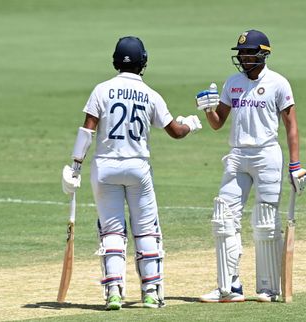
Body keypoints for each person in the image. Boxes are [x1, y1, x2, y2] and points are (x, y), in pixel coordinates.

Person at [61, 36, 202, 310]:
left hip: (105, 168)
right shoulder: (151, 94)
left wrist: (75, 166)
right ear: (143, 62)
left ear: (116, 61)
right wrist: (191, 124)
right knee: (146, 229)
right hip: (138, 168)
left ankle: (114, 291)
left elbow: (88, 129)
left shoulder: (102, 90)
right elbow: (175, 131)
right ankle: (150, 291)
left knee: (111, 230)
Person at [196, 29, 306, 303]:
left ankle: (268, 288)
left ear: (263, 54)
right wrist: (209, 109)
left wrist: (295, 165)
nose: (244, 58)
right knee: (223, 216)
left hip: (266, 155)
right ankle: (229, 287)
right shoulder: (232, 83)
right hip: (237, 155)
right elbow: (217, 123)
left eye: (249, 53)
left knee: (266, 221)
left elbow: (291, 126)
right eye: (241, 53)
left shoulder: (279, 83)